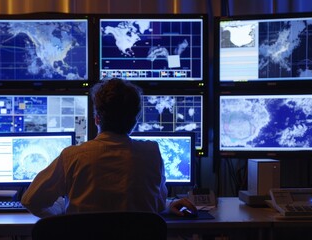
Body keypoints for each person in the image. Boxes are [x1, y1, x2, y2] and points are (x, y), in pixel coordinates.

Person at [21, 78, 197, 217]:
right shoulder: (152, 153)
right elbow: (156, 205)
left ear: (97, 118)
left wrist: (61, 214)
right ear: (135, 121)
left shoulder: (72, 156)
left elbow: (31, 200)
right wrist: (169, 205)